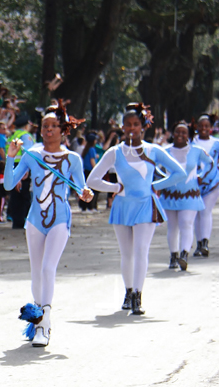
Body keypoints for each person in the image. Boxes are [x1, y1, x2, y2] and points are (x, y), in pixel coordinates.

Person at [4, 100, 92, 346]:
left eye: (54, 126)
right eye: (45, 126)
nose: (48, 130)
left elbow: (81, 188)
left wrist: (87, 194)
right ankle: (42, 322)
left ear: (64, 130)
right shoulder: (32, 155)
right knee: (36, 272)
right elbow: (9, 185)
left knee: (47, 269)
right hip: (34, 220)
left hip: (60, 219)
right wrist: (10, 158)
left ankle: (43, 324)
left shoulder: (73, 158)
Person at [86, 103, 185, 315]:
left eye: (136, 124)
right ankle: (128, 291)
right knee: (127, 253)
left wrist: (155, 186)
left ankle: (138, 295)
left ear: (143, 126)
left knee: (141, 250)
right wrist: (115, 187)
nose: (132, 128)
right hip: (122, 206)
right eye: (128, 125)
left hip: (145, 206)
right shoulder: (114, 152)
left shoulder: (153, 150)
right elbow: (92, 179)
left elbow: (179, 173)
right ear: (122, 127)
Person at [160, 122, 211, 271]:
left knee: (186, 223)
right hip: (170, 195)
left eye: (184, 133)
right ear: (172, 134)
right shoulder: (165, 151)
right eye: (177, 132)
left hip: (190, 194)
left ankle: (184, 254)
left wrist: (202, 176)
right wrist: (163, 179)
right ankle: (173, 256)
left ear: (189, 136)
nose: (180, 135)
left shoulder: (197, 151)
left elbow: (210, 163)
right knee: (173, 227)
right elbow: (153, 165)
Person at [192, 115, 219, 257]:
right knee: (197, 213)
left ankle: (205, 242)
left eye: (206, 126)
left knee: (206, 211)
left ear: (211, 127)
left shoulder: (217, 143)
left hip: (213, 182)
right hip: (195, 182)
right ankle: (199, 243)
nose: (203, 128)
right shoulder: (191, 142)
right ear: (196, 126)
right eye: (201, 125)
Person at [6, 112, 35, 229]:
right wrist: (26, 170)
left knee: (15, 195)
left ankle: (16, 220)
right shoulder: (25, 136)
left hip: (11, 165)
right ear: (27, 125)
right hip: (22, 167)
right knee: (24, 195)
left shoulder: (12, 136)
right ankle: (22, 221)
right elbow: (27, 154)